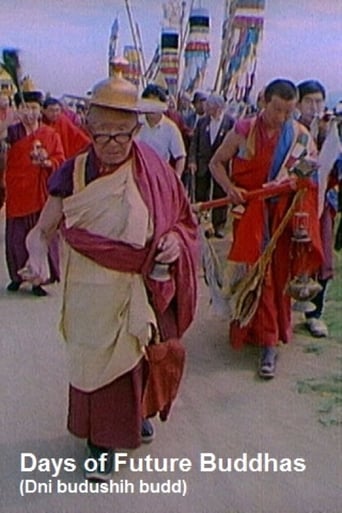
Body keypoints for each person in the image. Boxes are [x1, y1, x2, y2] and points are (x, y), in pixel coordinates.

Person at [20, 73, 198, 481]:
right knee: (93, 361)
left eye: (121, 134)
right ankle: (98, 441)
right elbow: (41, 231)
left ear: (136, 130)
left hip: (138, 284)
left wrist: (172, 240)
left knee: (138, 354)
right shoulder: (73, 172)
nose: (112, 144)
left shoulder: (154, 169)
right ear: (89, 128)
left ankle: (135, 416)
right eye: (103, 135)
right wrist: (38, 258)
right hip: (88, 290)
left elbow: (184, 221)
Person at [209, 78, 322, 379]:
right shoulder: (243, 131)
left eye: (288, 111)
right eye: (276, 110)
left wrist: (291, 183)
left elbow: (308, 177)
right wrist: (230, 187)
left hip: (283, 218)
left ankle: (270, 342)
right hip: (250, 216)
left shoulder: (299, 136)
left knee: (276, 276)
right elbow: (216, 163)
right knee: (252, 273)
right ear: (263, 101)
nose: (282, 117)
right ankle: (249, 330)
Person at [2, 89, 65, 296]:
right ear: (19, 110)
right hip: (18, 190)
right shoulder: (12, 133)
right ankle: (18, 277)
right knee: (16, 238)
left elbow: (60, 159)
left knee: (42, 235)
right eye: (25, 108)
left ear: (40, 112)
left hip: (40, 193)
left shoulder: (50, 134)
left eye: (33, 108)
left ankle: (40, 280)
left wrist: (47, 161)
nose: (29, 112)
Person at [297, 80, 341, 337]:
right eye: (309, 101)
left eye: (318, 101)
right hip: (295, 203)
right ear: (298, 103)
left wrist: (329, 137)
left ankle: (315, 314)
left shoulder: (332, 130)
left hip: (323, 203)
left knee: (322, 255)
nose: (314, 107)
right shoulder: (293, 131)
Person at [188, 93, 234, 238]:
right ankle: (203, 224)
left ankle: (219, 224)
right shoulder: (202, 122)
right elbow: (194, 142)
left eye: (209, 106)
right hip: (203, 163)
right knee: (201, 193)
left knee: (220, 194)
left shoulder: (230, 122)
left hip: (221, 165)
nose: (206, 108)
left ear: (218, 108)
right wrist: (192, 160)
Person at [137, 84, 186, 178]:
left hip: (160, 176)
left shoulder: (170, 128)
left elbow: (180, 156)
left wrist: (177, 177)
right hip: (138, 175)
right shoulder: (136, 124)